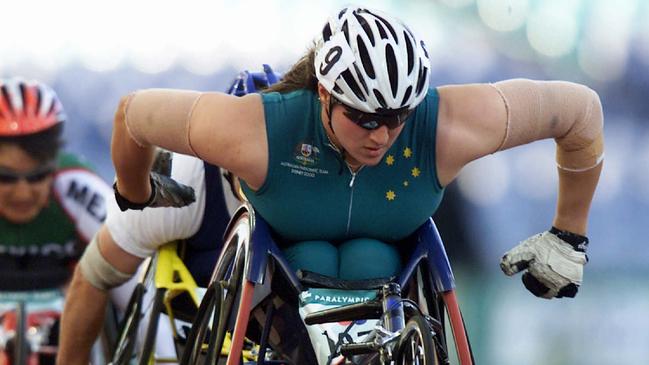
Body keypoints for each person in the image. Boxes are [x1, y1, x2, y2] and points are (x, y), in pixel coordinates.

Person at [110, 5, 601, 309]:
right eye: (365, 118)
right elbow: (133, 113)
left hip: (389, 276)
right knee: (317, 257)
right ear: (323, 93)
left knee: (368, 258)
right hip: (282, 273)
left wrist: (568, 234)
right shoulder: (257, 129)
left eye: (398, 116)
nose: (382, 135)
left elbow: (581, 111)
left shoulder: (446, 126)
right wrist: (136, 191)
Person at [56, 66, 280, 365]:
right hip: (184, 335)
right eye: (245, 145)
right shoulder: (183, 175)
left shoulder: (317, 173)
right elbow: (94, 276)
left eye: (268, 148)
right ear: (223, 144)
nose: (254, 160)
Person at [0, 78, 111, 363]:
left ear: (54, 164)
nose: (23, 192)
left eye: (37, 176)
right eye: (6, 178)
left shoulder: (77, 185)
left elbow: (136, 269)